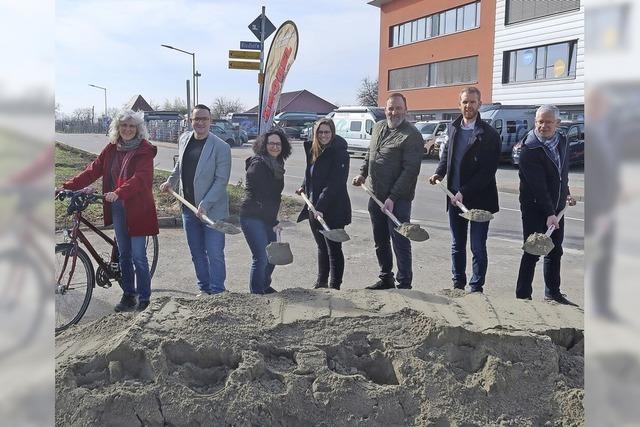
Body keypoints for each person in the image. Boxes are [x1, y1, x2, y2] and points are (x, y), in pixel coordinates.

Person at [62, 110, 158, 312]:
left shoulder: (145, 150)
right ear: (118, 128)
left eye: (132, 126)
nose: (128, 129)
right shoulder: (112, 148)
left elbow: (141, 178)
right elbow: (93, 169)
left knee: (138, 255)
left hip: (138, 208)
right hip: (118, 207)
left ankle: (145, 298)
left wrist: (119, 192)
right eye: (124, 125)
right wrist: (67, 187)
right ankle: (129, 295)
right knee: (124, 254)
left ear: (138, 129)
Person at [428, 87, 501, 293]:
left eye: (472, 102)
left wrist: (464, 192)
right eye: (465, 102)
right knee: (457, 244)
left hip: (480, 200)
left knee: (477, 246)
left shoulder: (489, 135)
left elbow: (487, 172)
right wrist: (439, 173)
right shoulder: (453, 128)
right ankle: (458, 283)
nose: (468, 106)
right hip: (454, 197)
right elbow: (447, 156)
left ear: (480, 104)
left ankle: (476, 287)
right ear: (459, 104)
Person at [352, 93, 423, 290]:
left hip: (398, 200)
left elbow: (410, 171)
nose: (394, 112)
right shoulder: (379, 127)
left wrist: (393, 197)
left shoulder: (412, 135)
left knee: (399, 240)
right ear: (385, 109)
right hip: (375, 195)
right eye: (391, 108)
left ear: (406, 110)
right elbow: (371, 153)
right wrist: (362, 174)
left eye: (399, 108)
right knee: (380, 240)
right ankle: (386, 277)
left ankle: (404, 282)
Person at [160, 104, 232, 296]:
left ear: (211, 121)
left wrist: (205, 204)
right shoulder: (184, 139)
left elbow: (221, 180)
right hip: (188, 209)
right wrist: (170, 182)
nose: (200, 122)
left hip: (212, 211)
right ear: (190, 121)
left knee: (214, 252)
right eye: (196, 119)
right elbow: (180, 166)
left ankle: (218, 291)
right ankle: (204, 289)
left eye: (204, 119)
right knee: (197, 252)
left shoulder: (221, 147)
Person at [515, 105, 578, 305]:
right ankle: (523, 295)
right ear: (535, 122)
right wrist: (550, 213)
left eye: (548, 122)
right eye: (540, 122)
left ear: (557, 124)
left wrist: (566, 193)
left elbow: (561, 172)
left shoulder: (562, 141)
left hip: (556, 207)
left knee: (555, 249)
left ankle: (553, 292)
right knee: (533, 250)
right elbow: (538, 187)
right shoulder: (528, 149)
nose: (543, 126)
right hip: (534, 207)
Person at [296, 118, 351, 290]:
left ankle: (335, 286)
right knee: (321, 246)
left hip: (334, 208)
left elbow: (335, 183)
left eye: (327, 132)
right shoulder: (314, 150)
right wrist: (304, 186)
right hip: (314, 207)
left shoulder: (340, 153)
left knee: (333, 248)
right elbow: (311, 173)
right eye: (320, 132)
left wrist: (320, 206)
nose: (323, 135)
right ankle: (321, 282)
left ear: (333, 133)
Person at [239, 129, 292, 294]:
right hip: (252, 216)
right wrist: (274, 222)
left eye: (278, 143)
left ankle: (263, 285)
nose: (275, 146)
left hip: (267, 216)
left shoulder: (277, 164)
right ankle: (256, 293)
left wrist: (274, 220)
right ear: (264, 145)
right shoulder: (258, 165)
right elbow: (264, 197)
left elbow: (274, 197)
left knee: (272, 256)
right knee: (261, 256)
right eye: (271, 143)